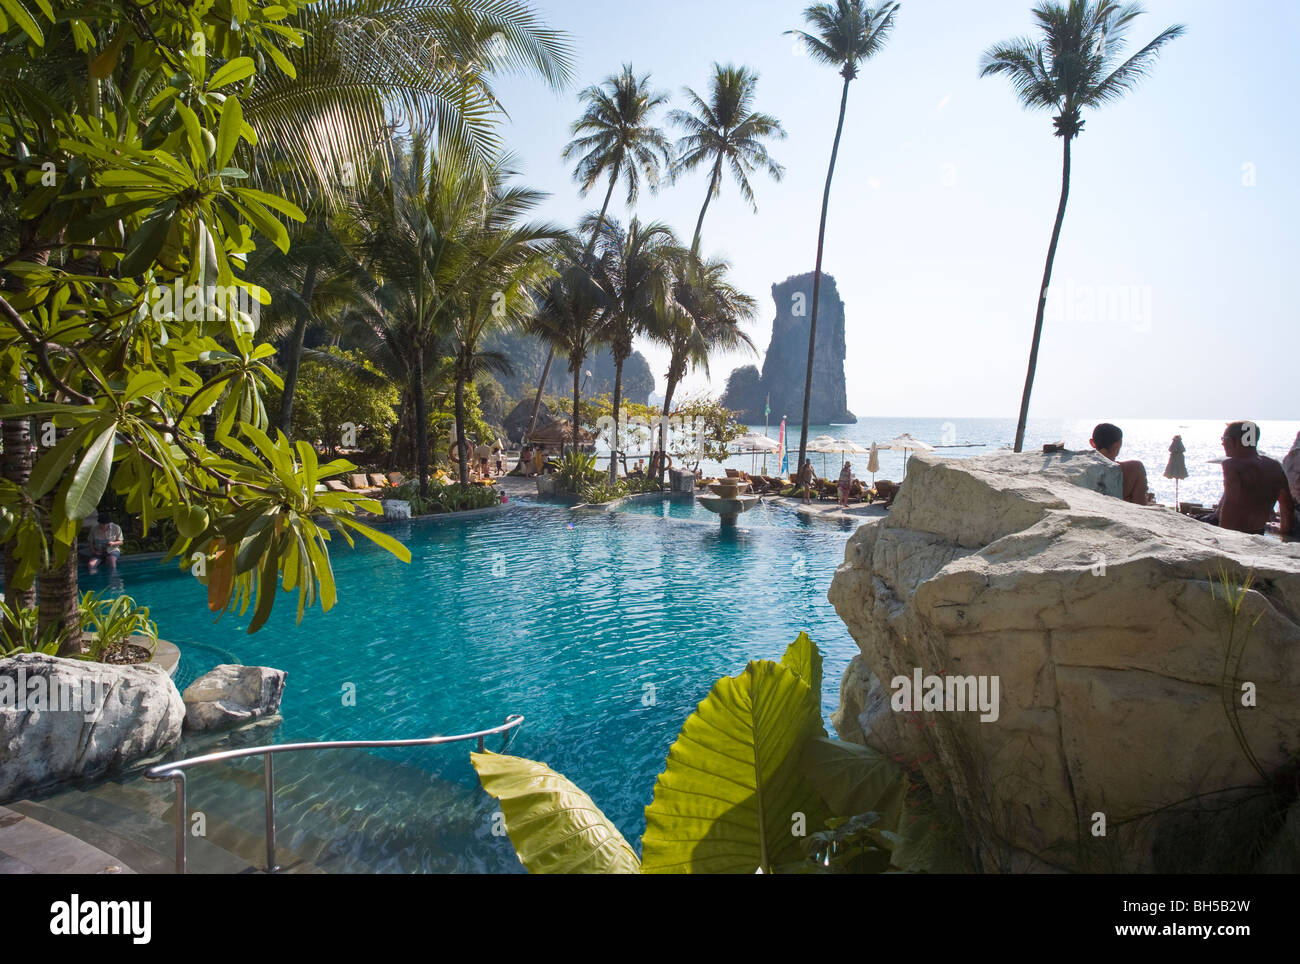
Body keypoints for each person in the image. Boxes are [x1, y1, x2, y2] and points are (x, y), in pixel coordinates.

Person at [1210, 421, 1294, 538]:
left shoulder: (1232, 465)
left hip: (1235, 535)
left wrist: (1223, 540)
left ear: (1238, 441)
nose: (1222, 443)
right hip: (1258, 534)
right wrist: (1284, 533)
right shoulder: (1275, 465)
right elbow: (1287, 505)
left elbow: (1231, 504)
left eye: (1224, 439)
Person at [1088, 423, 1149, 505]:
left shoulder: (1083, 467)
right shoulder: (1134, 468)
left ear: (1092, 443)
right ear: (1118, 444)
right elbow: (1140, 503)